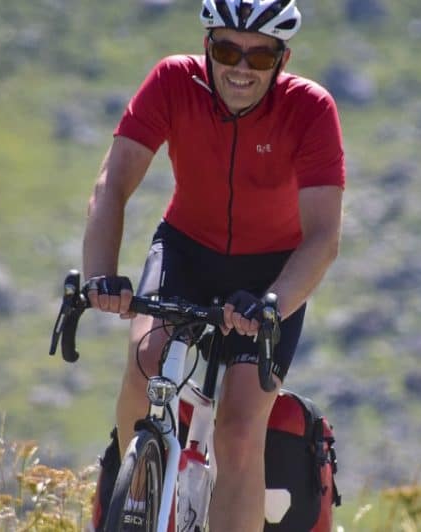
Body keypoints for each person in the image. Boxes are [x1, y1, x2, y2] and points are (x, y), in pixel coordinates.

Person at [81, 0, 345, 529]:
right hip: (187, 250)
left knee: (241, 428)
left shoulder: (311, 108)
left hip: (270, 274)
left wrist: (275, 301)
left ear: (282, 59)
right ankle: (136, 501)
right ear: (207, 47)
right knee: (144, 366)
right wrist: (99, 275)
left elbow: (322, 238)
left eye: (260, 57)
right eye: (227, 50)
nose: (241, 69)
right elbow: (113, 184)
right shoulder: (173, 81)